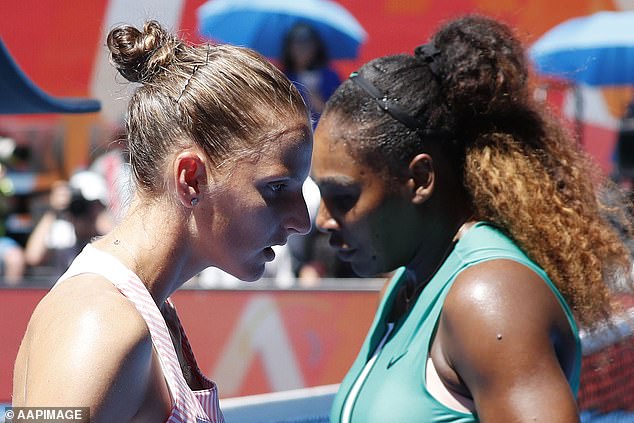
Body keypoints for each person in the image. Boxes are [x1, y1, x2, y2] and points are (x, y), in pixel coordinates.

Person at [311, 15, 633, 423]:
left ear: (420, 180)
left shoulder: (489, 298)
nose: (323, 220)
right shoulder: (401, 286)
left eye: (342, 197)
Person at [13, 20, 311, 423]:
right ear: (191, 179)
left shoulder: (142, 310)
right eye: (276, 188)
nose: (302, 220)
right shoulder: (100, 322)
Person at [24, 171, 113, 279]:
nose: (83, 211)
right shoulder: (63, 232)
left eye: (91, 204)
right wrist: (53, 211)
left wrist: (100, 218)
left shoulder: (110, 236)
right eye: (78, 204)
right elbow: (33, 257)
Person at [281, 23, 341, 125]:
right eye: (296, 45)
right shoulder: (283, 79)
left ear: (316, 47)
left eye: (306, 45)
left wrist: (319, 103)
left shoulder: (331, 77)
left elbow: (341, 116)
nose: (302, 50)